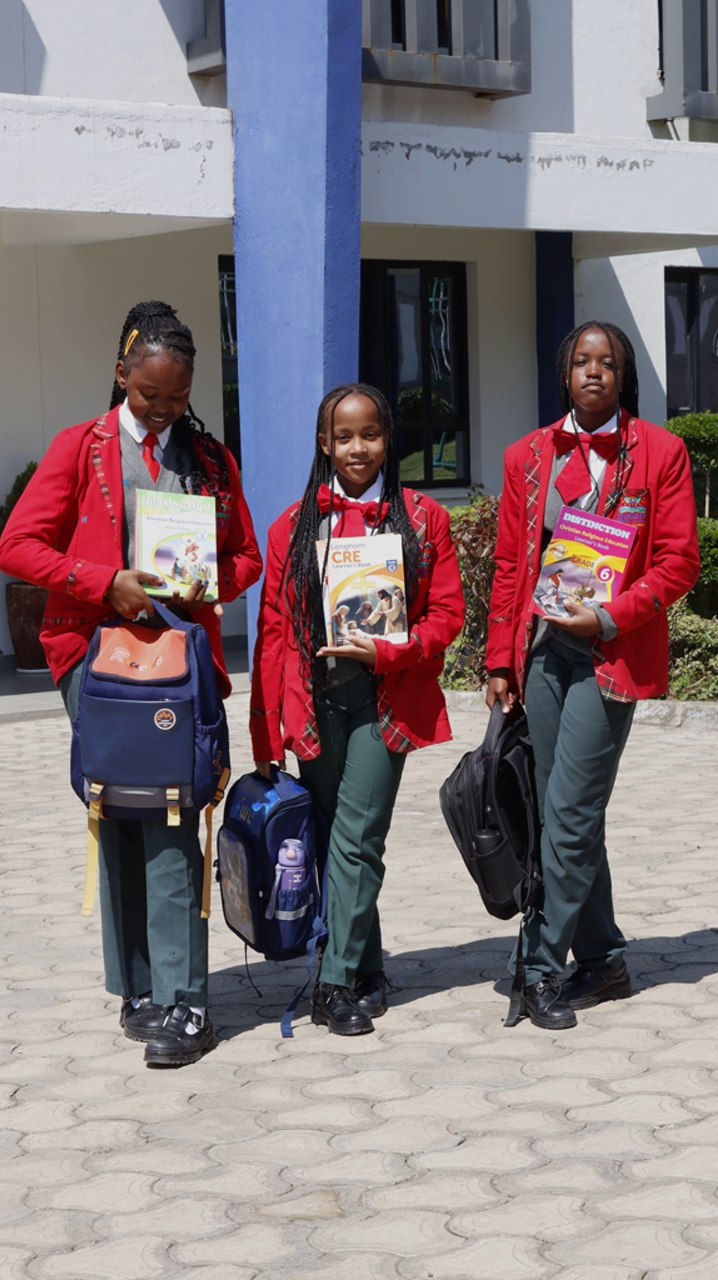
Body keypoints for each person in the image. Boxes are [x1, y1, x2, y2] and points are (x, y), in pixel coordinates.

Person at [0, 300, 262, 1065]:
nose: (163, 410)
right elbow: (16, 544)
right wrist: (101, 581)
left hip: (178, 662)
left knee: (172, 816)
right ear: (121, 375)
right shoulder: (77, 448)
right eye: (150, 395)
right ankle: (138, 989)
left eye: (178, 397)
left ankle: (187, 1004)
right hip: (95, 660)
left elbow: (245, 556)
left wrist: (207, 583)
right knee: (118, 812)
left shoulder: (210, 459)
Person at [485, 321, 700, 1030]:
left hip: (612, 653)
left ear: (623, 375)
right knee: (561, 812)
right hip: (544, 652)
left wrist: (609, 617)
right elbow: (511, 566)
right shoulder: (526, 457)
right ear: (565, 373)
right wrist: (498, 659)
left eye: (607, 362)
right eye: (581, 360)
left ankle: (538, 967)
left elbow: (678, 561)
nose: (594, 371)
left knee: (571, 813)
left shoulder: (661, 453)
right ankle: (604, 959)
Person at [250, 382, 465, 1036]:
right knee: (330, 838)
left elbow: (447, 614)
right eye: (343, 437)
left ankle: (334, 981)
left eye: (369, 434)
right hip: (315, 702)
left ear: (387, 438)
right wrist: (264, 731)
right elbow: (272, 630)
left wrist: (395, 650)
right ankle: (367, 964)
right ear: (324, 443)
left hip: (385, 699)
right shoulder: (292, 526)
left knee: (358, 836)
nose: (357, 448)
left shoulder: (424, 518)